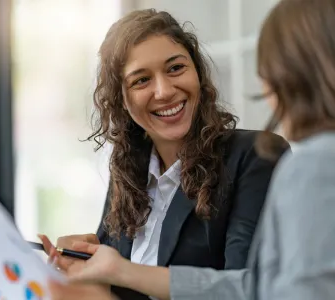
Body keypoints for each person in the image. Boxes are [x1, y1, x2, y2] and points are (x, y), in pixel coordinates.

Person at [48, 0, 335, 299]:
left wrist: (116, 274)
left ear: (198, 73)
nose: (164, 91)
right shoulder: (128, 174)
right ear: (121, 100)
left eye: (176, 68)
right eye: (141, 80)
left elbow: (249, 288)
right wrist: (89, 274)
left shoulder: (256, 157)